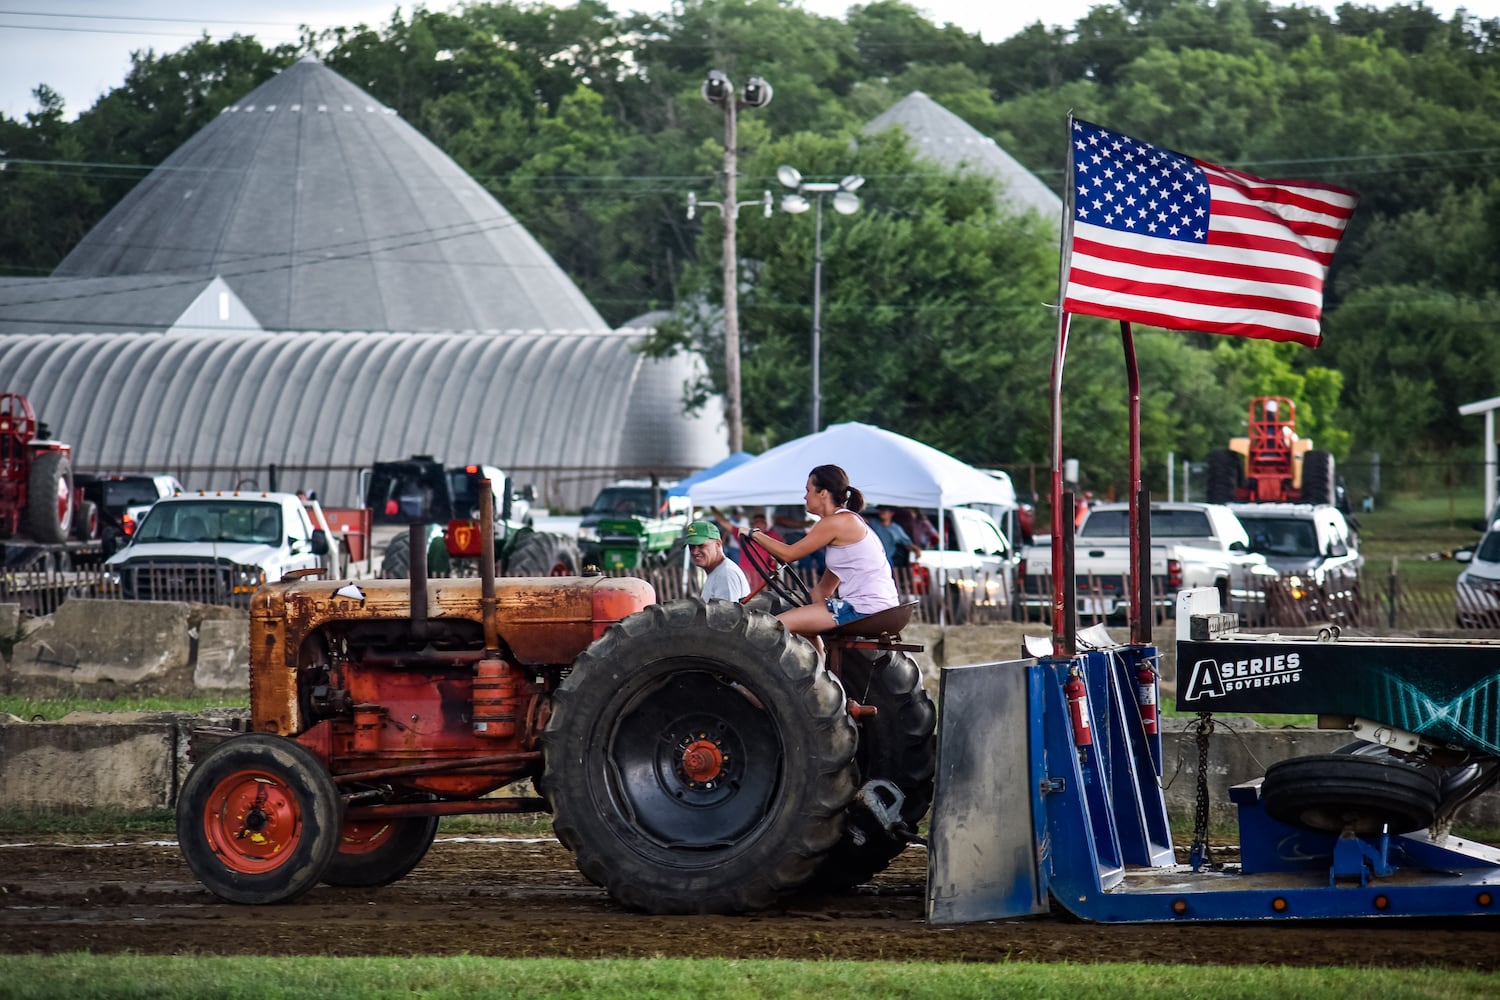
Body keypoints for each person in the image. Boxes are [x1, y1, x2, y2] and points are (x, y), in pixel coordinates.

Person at [745, 464, 899, 640]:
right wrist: (802, 609)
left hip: (865, 608)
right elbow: (822, 592)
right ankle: (820, 666)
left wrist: (754, 534)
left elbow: (789, 554)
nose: (805, 496)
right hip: (879, 607)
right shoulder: (846, 524)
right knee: (804, 627)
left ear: (823, 493)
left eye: (808, 490)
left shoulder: (837, 522)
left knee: (770, 627)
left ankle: (815, 667)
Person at [685, 519, 749, 603]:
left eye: (701, 545)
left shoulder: (725, 575)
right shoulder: (718, 572)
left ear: (718, 544)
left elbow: (729, 614)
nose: (695, 552)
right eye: (691, 546)